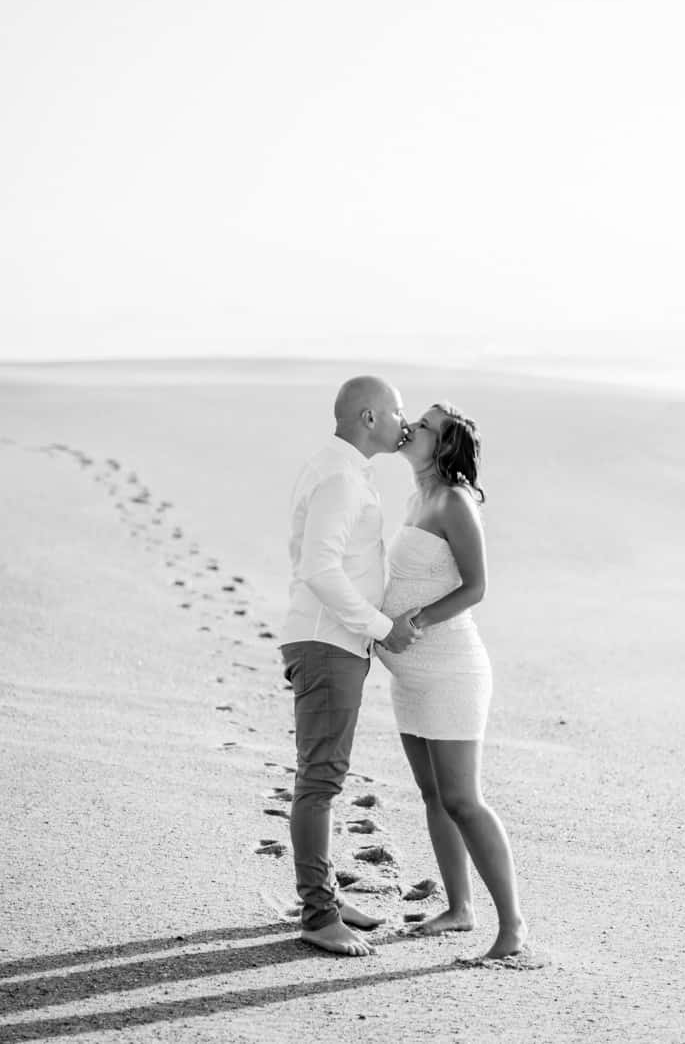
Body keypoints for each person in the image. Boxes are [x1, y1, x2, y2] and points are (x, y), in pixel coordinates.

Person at [373, 402, 546, 966]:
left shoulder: (453, 501)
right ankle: (459, 907)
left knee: (463, 800)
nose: (411, 428)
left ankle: (512, 927)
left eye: (424, 426)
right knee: (433, 796)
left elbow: (476, 588)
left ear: (443, 447)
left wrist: (411, 624)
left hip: (450, 670)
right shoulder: (415, 497)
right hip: (411, 673)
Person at [280, 375, 421, 957]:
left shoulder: (342, 470)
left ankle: (328, 898)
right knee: (320, 781)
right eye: (397, 411)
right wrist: (383, 628)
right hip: (328, 643)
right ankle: (316, 915)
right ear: (369, 417)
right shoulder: (340, 477)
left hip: (336, 643)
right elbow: (319, 567)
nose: (402, 421)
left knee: (325, 777)